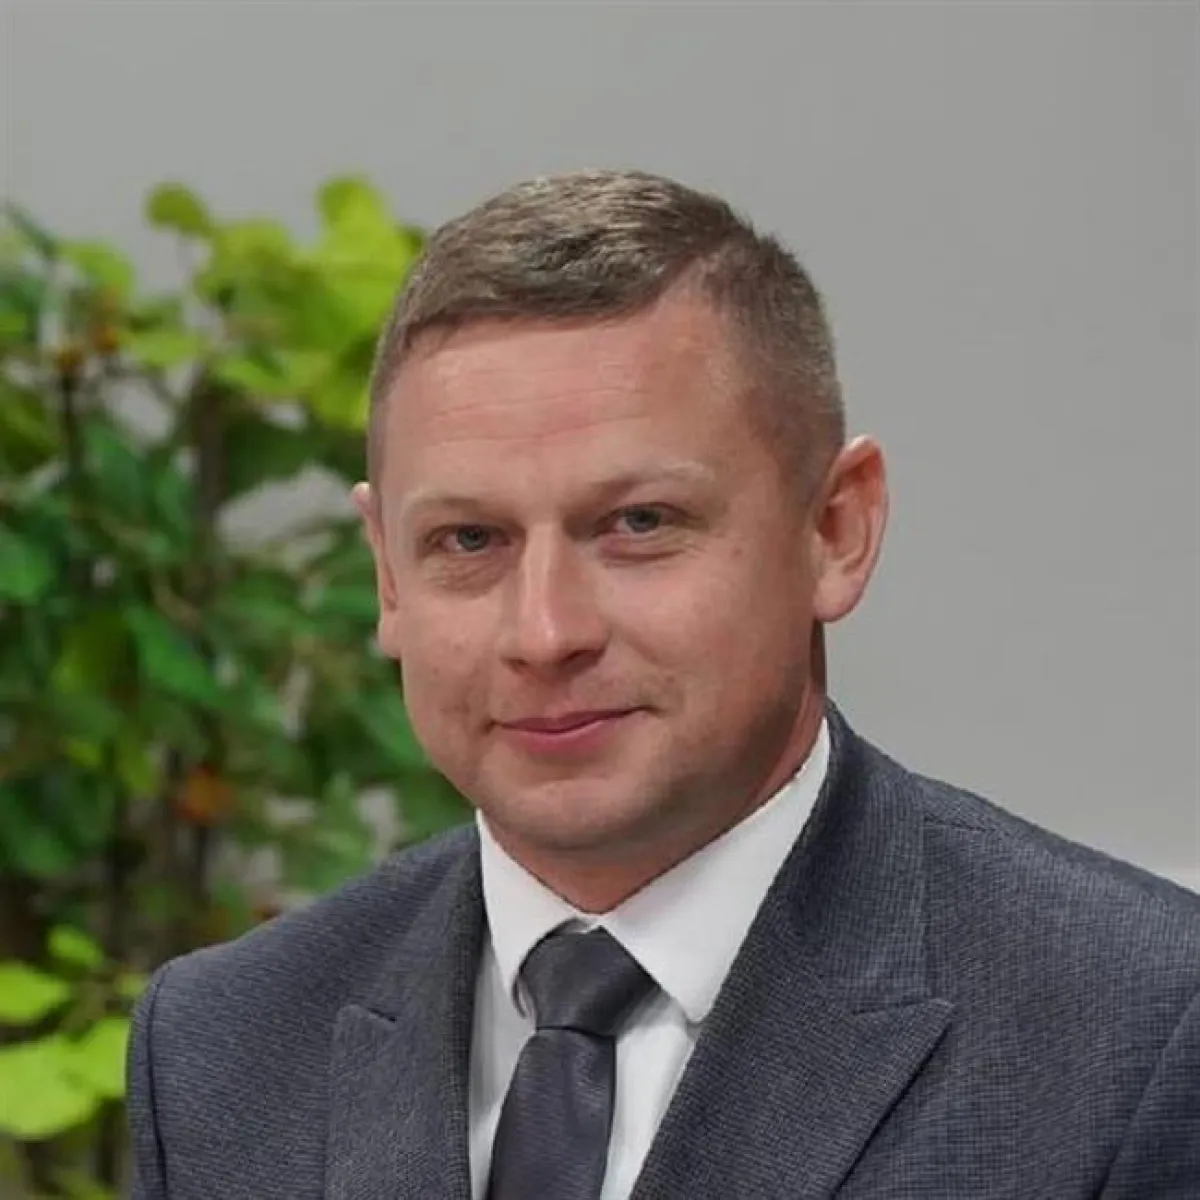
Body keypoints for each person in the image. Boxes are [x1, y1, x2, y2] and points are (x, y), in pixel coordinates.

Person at [126, 169, 1200, 1200]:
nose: (545, 633)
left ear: (836, 529)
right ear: (388, 578)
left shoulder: (1141, 1027)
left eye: (638, 524)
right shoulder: (221, 1047)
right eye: (469, 539)